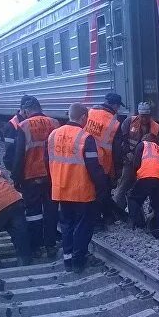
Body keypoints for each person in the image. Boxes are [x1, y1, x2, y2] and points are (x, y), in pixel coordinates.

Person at [48, 103, 107, 273]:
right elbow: (93, 167)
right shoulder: (85, 137)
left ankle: (67, 260)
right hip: (82, 191)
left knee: (66, 225)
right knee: (83, 226)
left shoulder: (54, 135)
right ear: (83, 118)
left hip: (61, 189)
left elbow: (49, 161)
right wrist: (102, 186)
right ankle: (78, 261)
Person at [11, 96, 60, 258]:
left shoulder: (23, 126)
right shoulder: (55, 123)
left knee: (33, 213)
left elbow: (19, 156)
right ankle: (51, 246)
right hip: (52, 175)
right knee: (51, 212)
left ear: (25, 111)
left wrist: (16, 178)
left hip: (31, 177)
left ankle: (36, 247)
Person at [84, 92, 126, 227]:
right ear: (114, 105)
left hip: (84, 159)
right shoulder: (114, 122)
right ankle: (98, 221)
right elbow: (117, 150)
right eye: (118, 107)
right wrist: (117, 170)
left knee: (91, 190)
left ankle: (108, 216)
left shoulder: (90, 112)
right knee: (103, 192)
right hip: (102, 162)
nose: (117, 110)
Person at [114, 101, 159, 210]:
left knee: (147, 186)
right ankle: (118, 210)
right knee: (124, 184)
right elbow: (121, 140)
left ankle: (149, 210)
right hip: (130, 159)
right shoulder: (129, 122)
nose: (144, 119)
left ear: (150, 115)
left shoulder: (156, 128)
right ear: (138, 114)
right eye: (142, 116)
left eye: (146, 116)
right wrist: (126, 153)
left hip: (146, 162)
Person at [126, 133, 159, 233]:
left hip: (146, 175)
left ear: (146, 138)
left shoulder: (143, 144)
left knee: (133, 198)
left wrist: (134, 178)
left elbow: (136, 163)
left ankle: (135, 223)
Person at [2, 95, 33, 176]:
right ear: (24, 109)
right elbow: (9, 150)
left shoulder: (29, 121)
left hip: (30, 164)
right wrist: (14, 169)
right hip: (19, 166)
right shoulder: (12, 125)